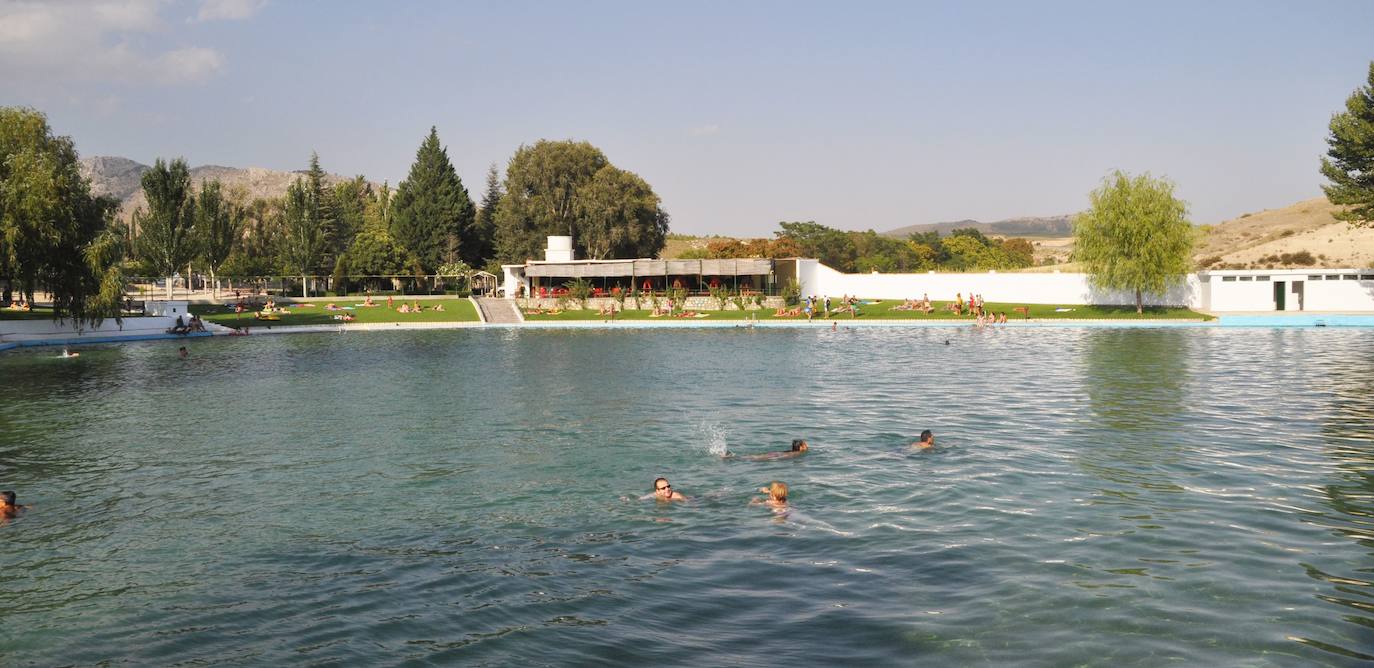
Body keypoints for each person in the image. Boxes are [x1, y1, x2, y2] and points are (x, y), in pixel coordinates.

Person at [740, 439, 809, 461]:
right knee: (757, 459)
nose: (807, 446)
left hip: (777, 453)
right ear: (800, 447)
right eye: (805, 445)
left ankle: (736, 457)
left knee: (756, 456)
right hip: (779, 455)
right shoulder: (798, 454)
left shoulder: (791, 451)